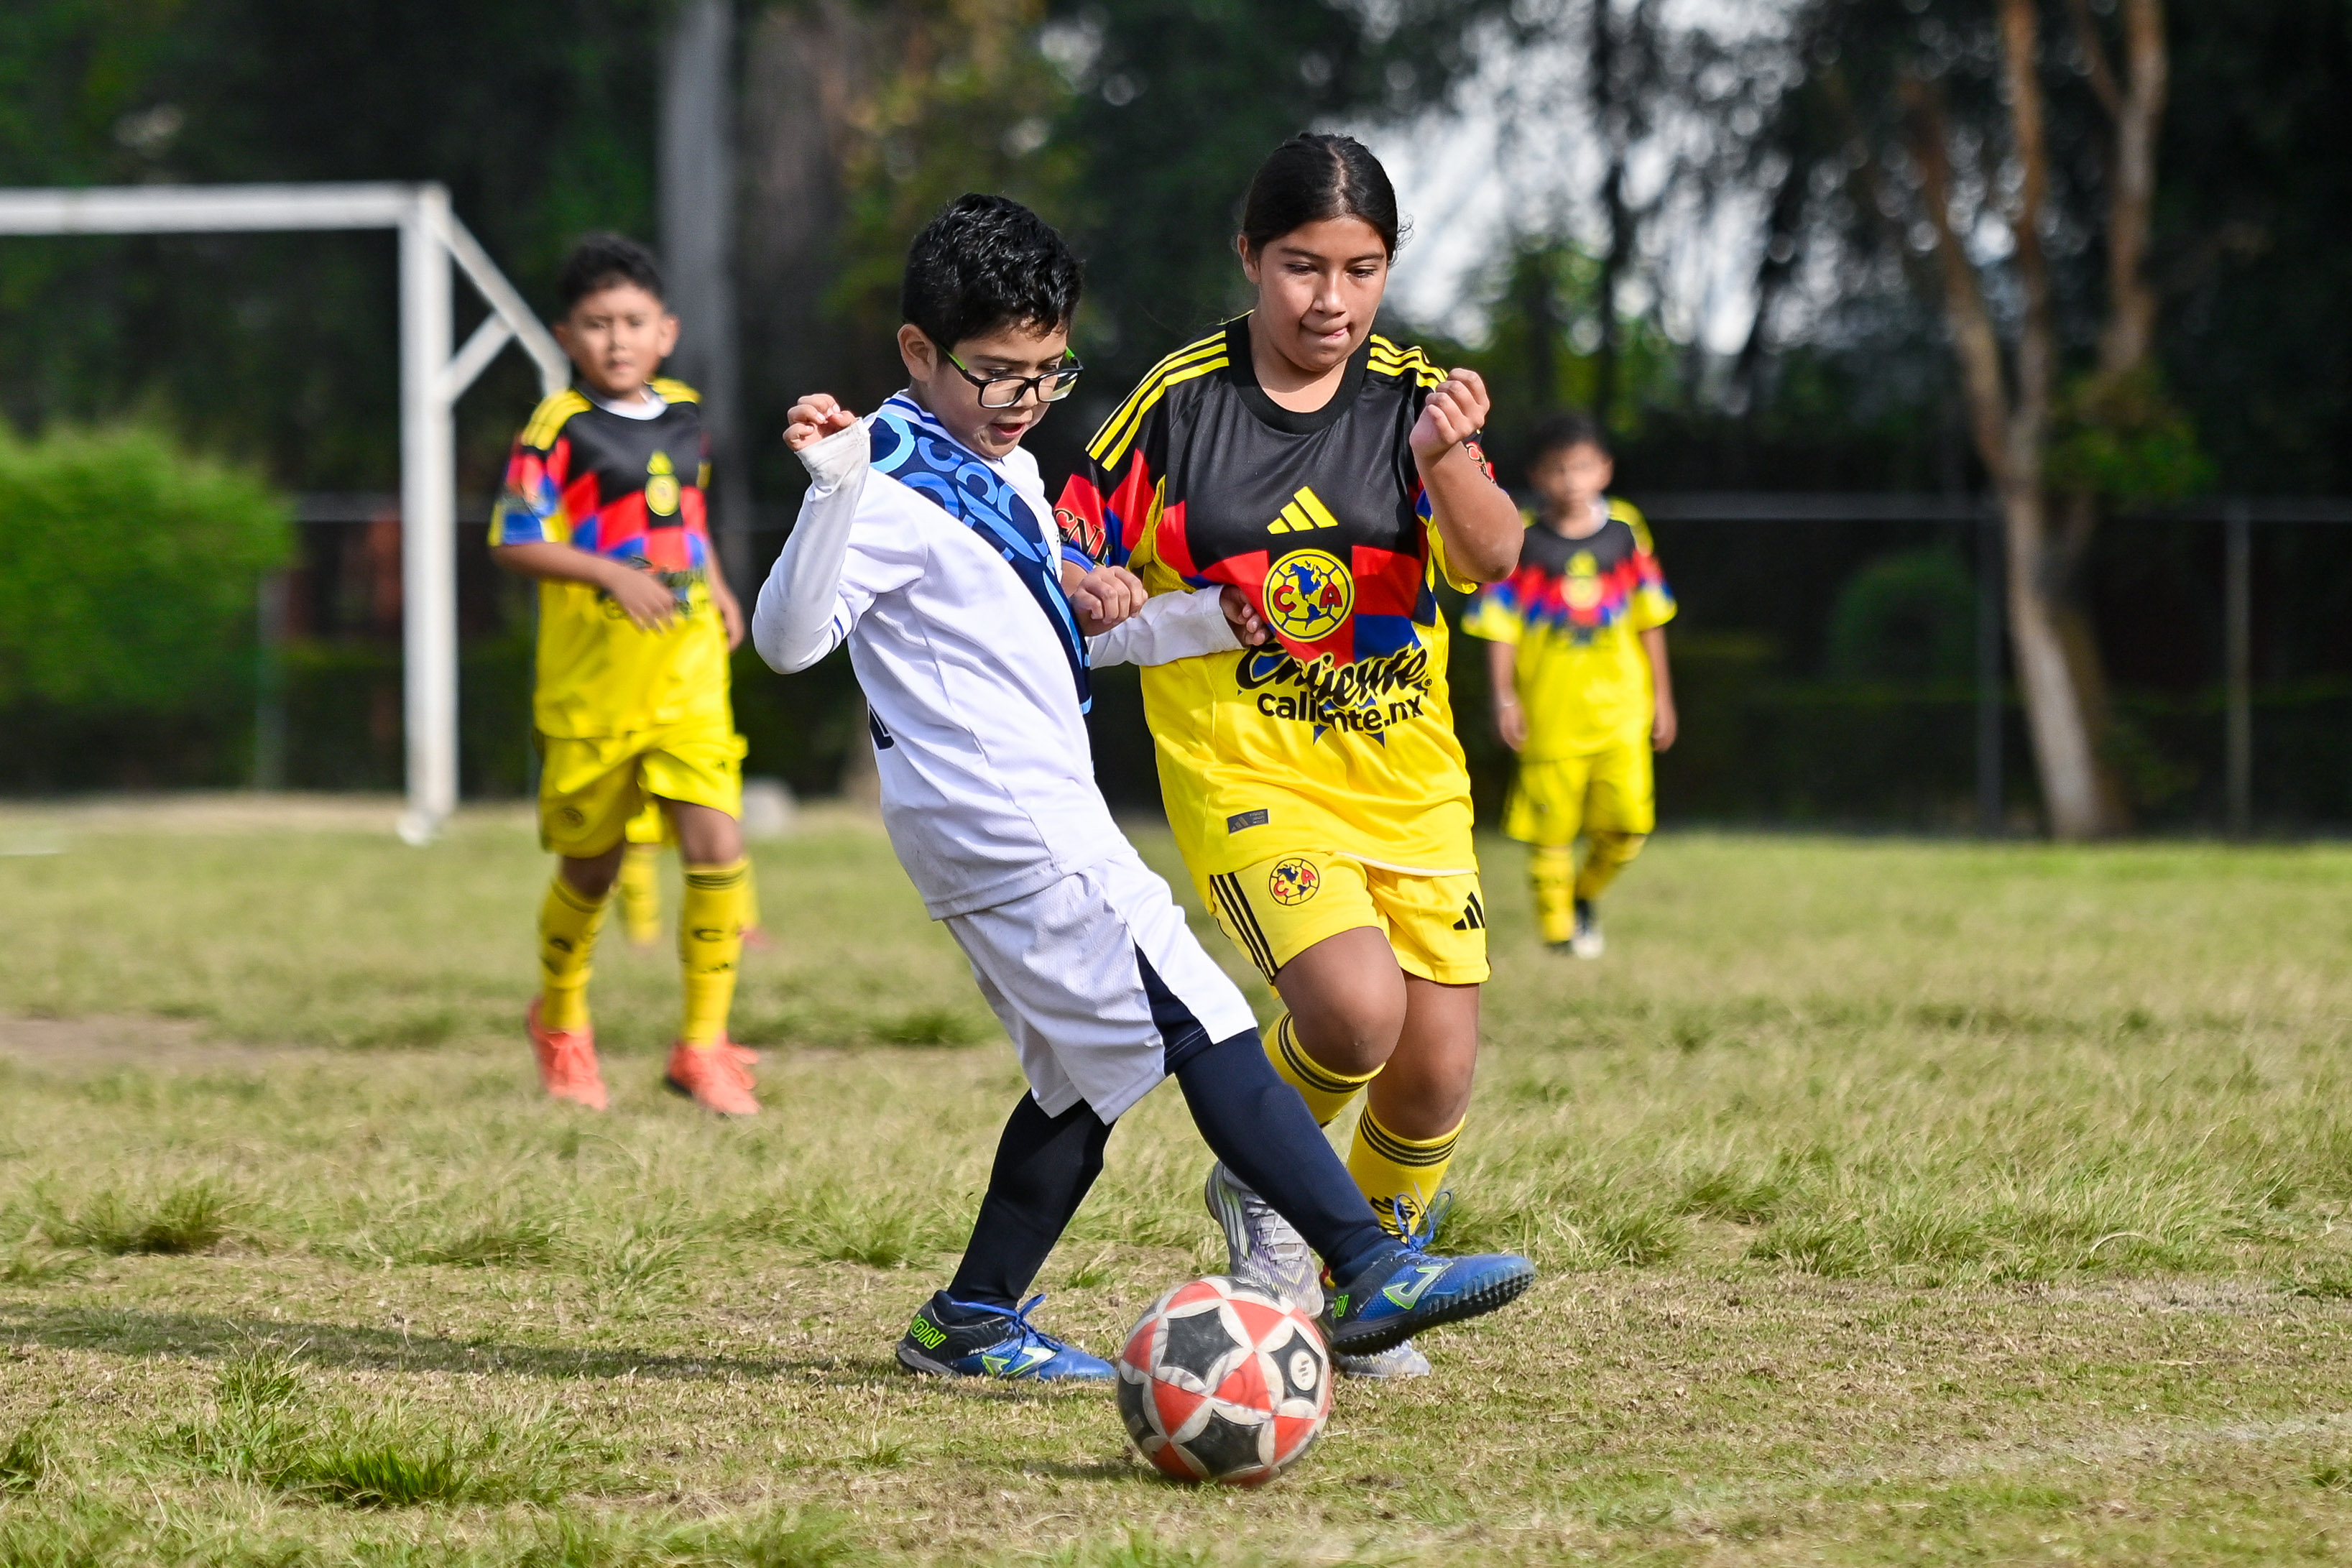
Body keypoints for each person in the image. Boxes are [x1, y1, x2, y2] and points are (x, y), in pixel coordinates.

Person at [753, 193, 1535, 1380]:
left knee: (1083, 1076)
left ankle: (968, 1319)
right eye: (996, 374)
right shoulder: (888, 479)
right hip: (1011, 823)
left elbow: (1041, 642)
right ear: (918, 353)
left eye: (1047, 374)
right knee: (1206, 1018)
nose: (1022, 402)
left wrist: (1178, 618)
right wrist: (828, 489)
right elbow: (787, 640)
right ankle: (1365, 1264)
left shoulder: (995, 466)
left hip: (1009, 819)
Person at [1053, 133, 1523, 1380]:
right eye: (1302, 267)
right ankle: (1272, 1193)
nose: (1332, 300)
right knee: (1351, 1010)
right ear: (1249, 259)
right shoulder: (1180, 399)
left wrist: (1442, 462)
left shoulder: (1416, 394)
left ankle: (1366, 1282)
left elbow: (1490, 556)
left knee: (1432, 1073)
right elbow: (1065, 539)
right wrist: (1091, 578)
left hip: (1405, 773)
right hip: (1247, 767)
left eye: (1360, 269)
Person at [489, 232, 760, 1117]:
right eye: (597, 324)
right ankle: (561, 1021)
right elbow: (514, 538)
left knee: (718, 844)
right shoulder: (554, 430)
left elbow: (689, 514)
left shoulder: (685, 413)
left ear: (666, 331)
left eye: (633, 321)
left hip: (685, 676)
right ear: (567, 337)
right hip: (593, 688)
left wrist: (717, 587)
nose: (616, 339)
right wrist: (610, 573)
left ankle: (703, 1045)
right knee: (593, 868)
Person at [1463, 412, 1677, 956]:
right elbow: (1499, 624)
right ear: (1537, 475)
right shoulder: (1523, 540)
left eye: (1582, 468)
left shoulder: (1627, 530)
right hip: (1549, 714)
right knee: (1550, 833)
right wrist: (1504, 697)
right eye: (1558, 470)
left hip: (1623, 710)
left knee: (1629, 827)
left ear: (1603, 470)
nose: (1571, 481)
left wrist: (1663, 699)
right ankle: (1558, 936)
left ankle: (1582, 897)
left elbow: (1650, 615)